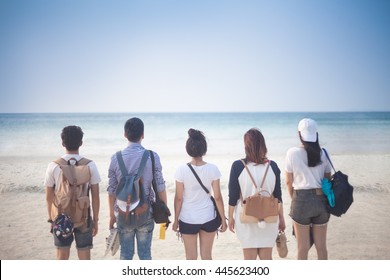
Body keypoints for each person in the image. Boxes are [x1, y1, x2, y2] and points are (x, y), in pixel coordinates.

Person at [107, 117, 167, 260]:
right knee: (145, 255)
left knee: (125, 255)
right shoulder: (152, 156)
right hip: (145, 213)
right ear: (143, 135)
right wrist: (164, 214)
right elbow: (160, 187)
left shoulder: (116, 158)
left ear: (125, 134)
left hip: (123, 213)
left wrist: (111, 215)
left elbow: (111, 191)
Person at [44, 125, 101, 260]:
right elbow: (96, 196)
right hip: (84, 218)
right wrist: (96, 220)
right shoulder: (90, 165)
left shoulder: (53, 166)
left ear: (62, 143)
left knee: (62, 256)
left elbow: (48, 197)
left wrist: (52, 220)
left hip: (60, 217)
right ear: (81, 143)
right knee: (84, 256)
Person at [228, 128, 285, 260]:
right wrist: (281, 218)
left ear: (246, 147)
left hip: (246, 217)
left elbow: (233, 197)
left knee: (249, 261)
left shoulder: (238, 166)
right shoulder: (273, 166)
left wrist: (230, 217)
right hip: (270, 217)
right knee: (267, 259)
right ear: (263, 145)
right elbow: (278, 196)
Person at [173, 129, 227, 260]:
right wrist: (223, 219)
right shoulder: (213, 169)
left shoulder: (181, 170)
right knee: (207, 256)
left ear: (188, 149)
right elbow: (218, 197)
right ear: (204, 149)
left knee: (190, 258)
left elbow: (179, 198)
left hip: (188, 218)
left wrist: (176, 220)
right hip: (208, 217)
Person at [285, 118, 332, 260]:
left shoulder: (292, 153)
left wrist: (295, 198)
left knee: (302, 248)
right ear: (316, 134)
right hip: (321, 201)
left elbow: (288, 182)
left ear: (299, 134)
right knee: (321, 247)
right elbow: (327, 180)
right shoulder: (324, 153)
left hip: (301, 200)